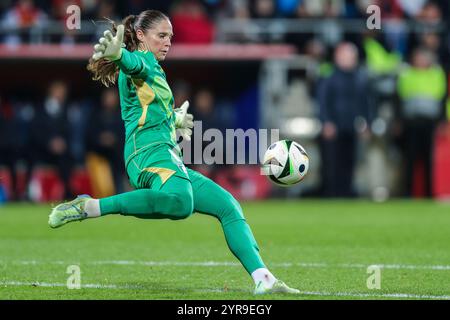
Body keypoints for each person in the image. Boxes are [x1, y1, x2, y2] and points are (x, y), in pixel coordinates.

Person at [48, 10, 298, 295]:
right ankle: (90, 207)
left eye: (171, 37)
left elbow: (144, 105)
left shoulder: (154, 66)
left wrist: (173, 118)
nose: (168, 42)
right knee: (181, 202)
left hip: (163, 153)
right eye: (162, 36)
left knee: (227, 206)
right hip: (148, 153)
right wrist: (119, 55)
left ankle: (263, 279)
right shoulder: (141, 60)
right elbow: (133, 65)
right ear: (141, 36)